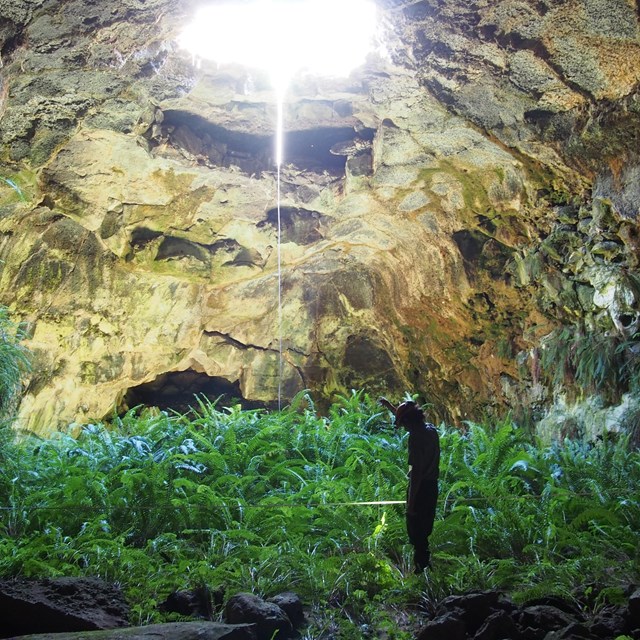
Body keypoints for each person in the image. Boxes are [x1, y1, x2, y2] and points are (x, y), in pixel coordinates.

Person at [379, 397, 440, 573]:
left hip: (420, 489)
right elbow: (407, 416)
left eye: (403, 424)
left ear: (408, 422)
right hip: (432, 488)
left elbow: (416, 473)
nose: (403, 427)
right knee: (425, 531)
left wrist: (410, 505)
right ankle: (425, 568)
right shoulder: (431, 431)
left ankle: (421, 571)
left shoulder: (415, 438)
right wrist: (391, 407)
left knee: (417, 533)